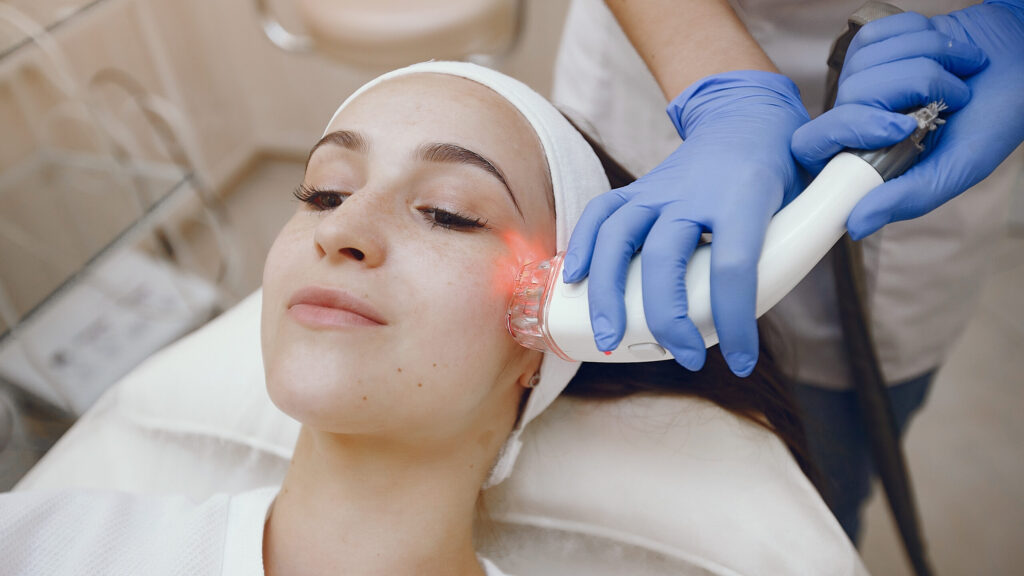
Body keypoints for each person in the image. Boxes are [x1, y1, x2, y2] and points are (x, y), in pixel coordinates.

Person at [0, 61, 820, 576]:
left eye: (448, 212)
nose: (341, 229)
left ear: (552, 331)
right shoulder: (49, 544)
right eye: (324, 191)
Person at [552, 0, 1023, 543]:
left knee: (810, 495)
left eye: (451, 216)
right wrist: (725, 89)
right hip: (662, 50)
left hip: (947, 75)